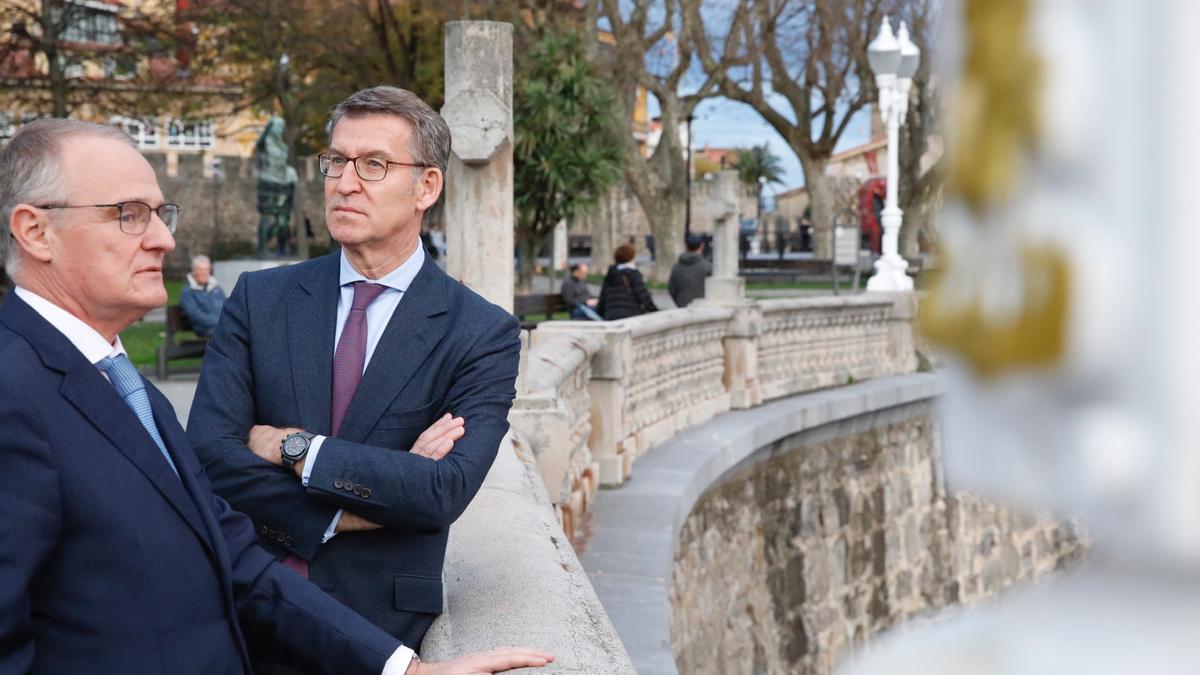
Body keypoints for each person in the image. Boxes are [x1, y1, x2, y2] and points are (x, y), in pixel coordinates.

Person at [0, 119, 552, 675]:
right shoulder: (13, 390)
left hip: (371, 622)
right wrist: (367, 503)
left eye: (160, 215)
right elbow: (215, 464)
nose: (165, 239)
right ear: (36, 231)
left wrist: (406, 670)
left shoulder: (130, 386)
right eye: (129, 215)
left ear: (427, 187)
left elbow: (229, 554)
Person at [187, 86, 524, 673]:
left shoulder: (480, 332)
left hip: (383, 626)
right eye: (336, 162)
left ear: (427, 187)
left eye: (374, 165)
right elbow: (210, 458)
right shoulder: (260, 300)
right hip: (242, 611)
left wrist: (294, 447)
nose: (345, 182)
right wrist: (351, 509)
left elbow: (441, 491)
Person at [596, 243, 657, 320]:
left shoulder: (610, 275)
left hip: (610, 316)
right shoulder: (633, 274)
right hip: (630, 315)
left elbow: (602, 300)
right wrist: (655, 311)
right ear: (631, 257)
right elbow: (643, 296)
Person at [180, 253, 226, 336]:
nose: (205, 273)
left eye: (207, 269)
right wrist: (219, 323)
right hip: (205, 329)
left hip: (221, 326)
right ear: (194, 271)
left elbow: (227, 306)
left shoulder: (216, 288)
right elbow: (196, 316)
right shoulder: (188, 292)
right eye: (201, 270)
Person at [667, 234, 711, 308]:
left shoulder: (677, 267)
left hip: (683, 307)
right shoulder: (707, 266)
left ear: (686, 246)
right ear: (701, 246)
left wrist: (680, 302)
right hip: (703, 308)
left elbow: (671, 289)